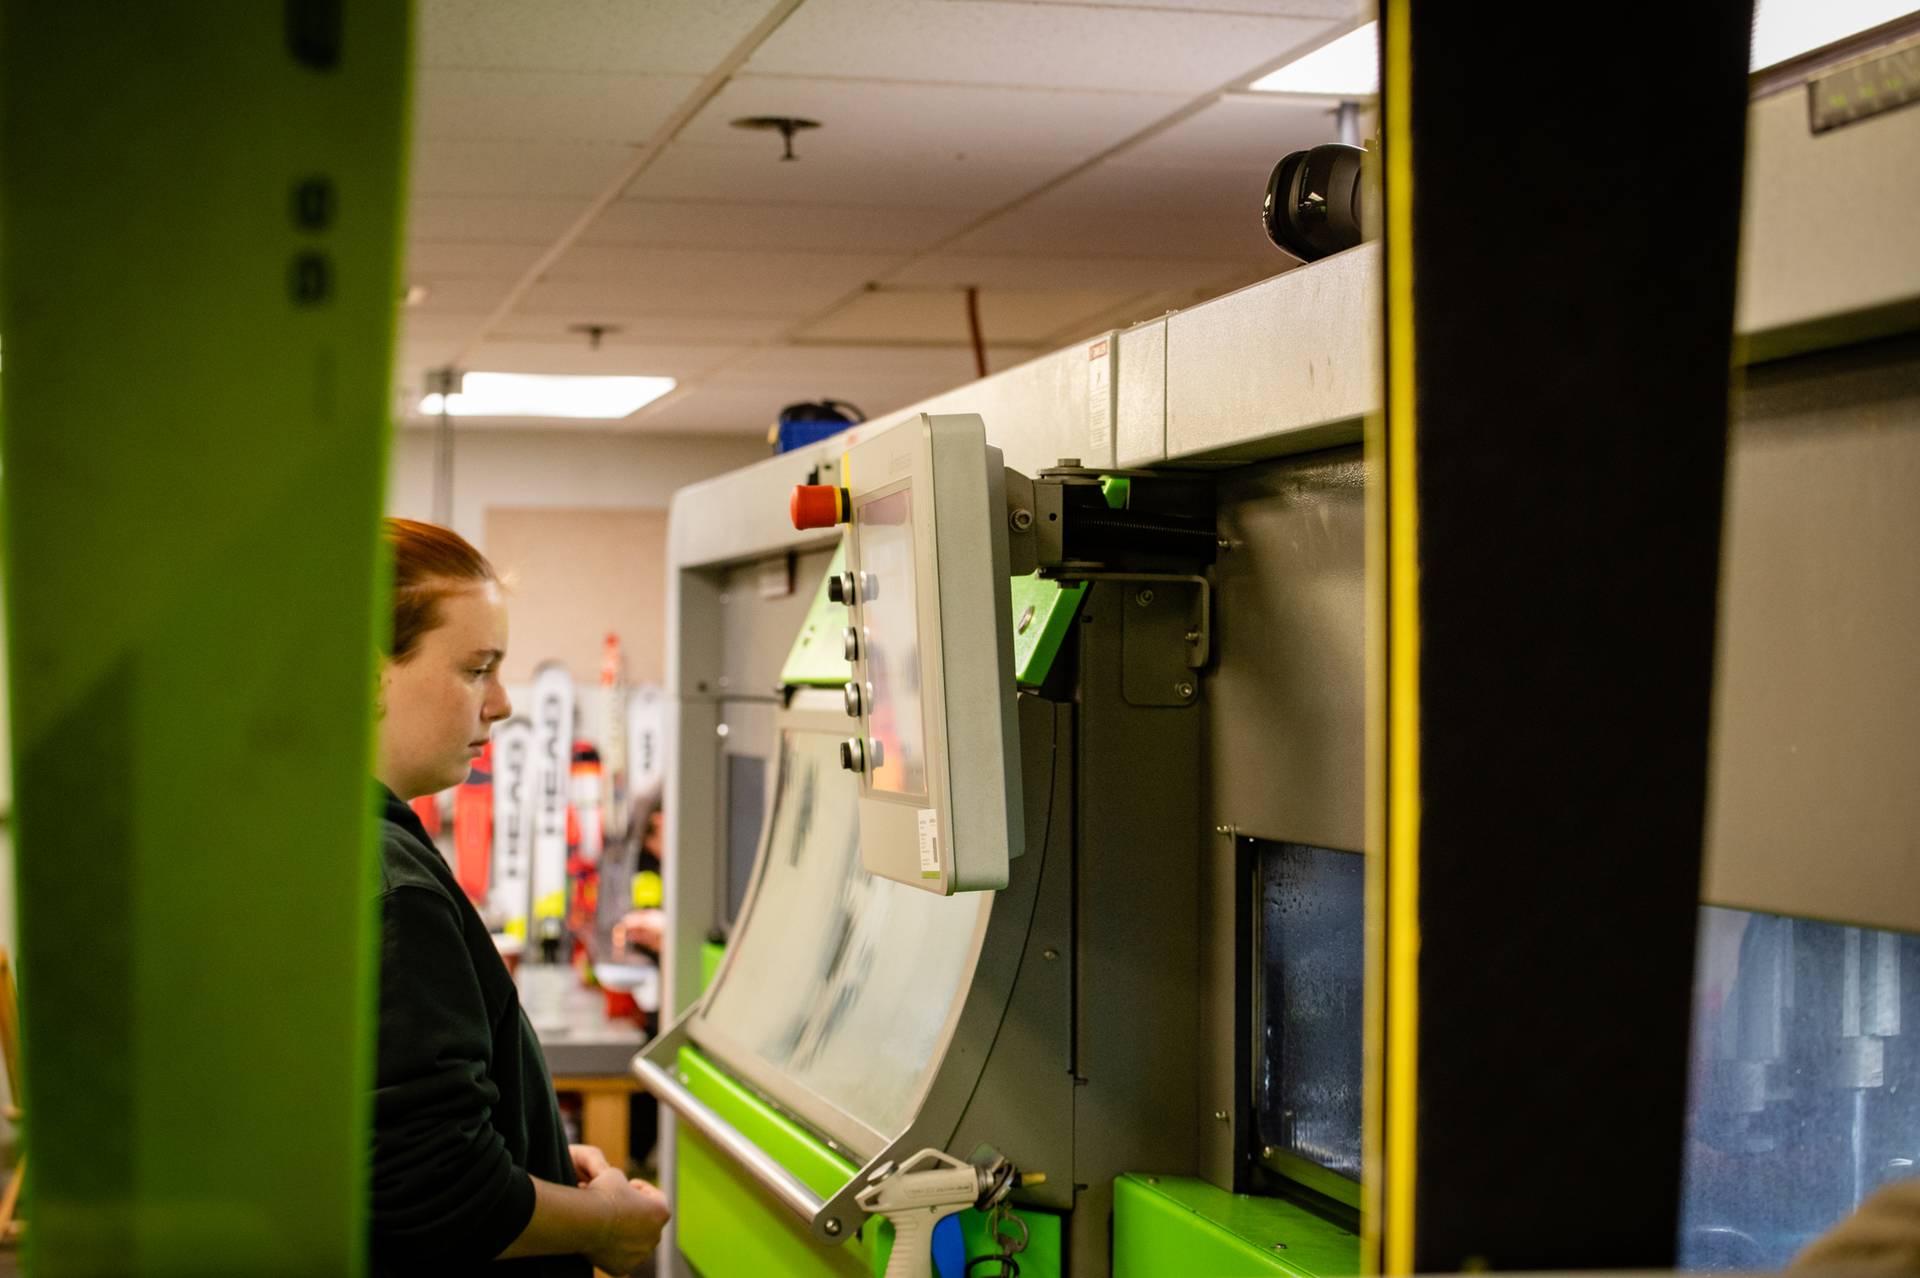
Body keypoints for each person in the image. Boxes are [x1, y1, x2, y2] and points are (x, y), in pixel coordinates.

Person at [371, 517, 670, 1276]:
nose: (501, 703)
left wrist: (521, 1149)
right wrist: (602, 1224)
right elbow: (437, 1193)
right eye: (477, 669)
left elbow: (386, 1135)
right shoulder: (391, 890)